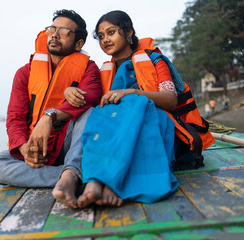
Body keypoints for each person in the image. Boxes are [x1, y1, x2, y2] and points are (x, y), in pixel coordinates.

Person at [65, 10, 213, 208]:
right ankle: (95, 181)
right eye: (101, 36)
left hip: (159, 124)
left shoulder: (155, 60)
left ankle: (112, 184)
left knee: (135, 105)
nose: (105, 40)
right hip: (119, 128)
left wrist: (132, 92)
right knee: (98, 116)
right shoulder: (103, 72)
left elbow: (170, 100)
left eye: (111, 32)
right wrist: (69, 90)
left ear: (128, 33)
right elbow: (91, 98)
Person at [0, 9, 102, 209]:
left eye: (64, 31)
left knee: (89, 112)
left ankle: (72, 170)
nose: (55, 34)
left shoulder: (88, 68)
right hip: (38, 151)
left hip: (68, 146)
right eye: (52, 29)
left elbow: (91, 95)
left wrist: (49, 117)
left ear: (79, 43)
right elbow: (14, 118)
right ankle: (72, 176)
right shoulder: (25, 73)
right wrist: (25, 149)